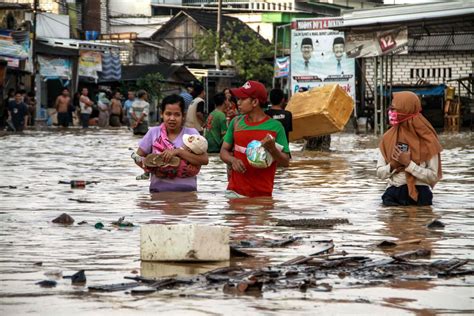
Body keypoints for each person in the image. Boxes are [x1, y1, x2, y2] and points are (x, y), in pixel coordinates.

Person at [220, 81, 290, 198]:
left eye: (242, 99)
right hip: (234, 192)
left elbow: (285, 162)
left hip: (262, 195)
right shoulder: (236, 122)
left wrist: (272, 149)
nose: (238, 102)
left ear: (255, 102)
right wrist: (233, 160)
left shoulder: (276, 127)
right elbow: (223, 152)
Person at [376, 91, 442, 206]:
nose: (391, 112)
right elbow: (380, 173)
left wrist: (409, 164)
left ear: (406, 110)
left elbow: (433, 177)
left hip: (421, 195)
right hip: (393, 194)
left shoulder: (428, 139)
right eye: (391, 109)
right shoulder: (387, 138)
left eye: (394, 109)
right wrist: (393, 165)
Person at [134, 94, 209, 193]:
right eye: (168, 114)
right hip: (158, 195)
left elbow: (204, 160)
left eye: (177, 114)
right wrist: (153, 169)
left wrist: (178, 152)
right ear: (162, 114)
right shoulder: (153, 132)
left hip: (187, 195)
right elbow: (137, 157)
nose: (172, 118)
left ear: (183, 115)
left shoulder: (192, 134)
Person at [132, 133, 208, 180]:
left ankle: (144, 166)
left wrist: (178, 152)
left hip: (170, 172)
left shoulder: (182, 156)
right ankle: (146, 170)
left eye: (184, 144)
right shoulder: (195, 165)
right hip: (180, 184)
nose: (182, 145)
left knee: (158, 165)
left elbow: (204, 161)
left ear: (188, 150)